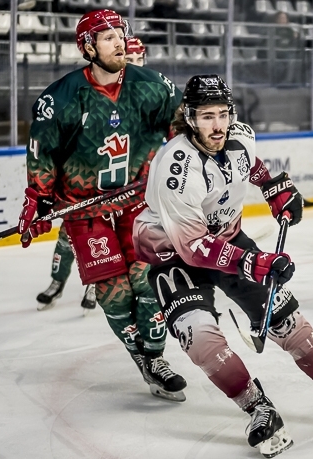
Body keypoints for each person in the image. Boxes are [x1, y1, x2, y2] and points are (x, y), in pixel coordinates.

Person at [133, 75, 313, 458]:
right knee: (201, 338)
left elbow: (250, 163)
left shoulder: (238, 136)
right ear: (190, 118)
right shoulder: (176, 169)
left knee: (287, 320)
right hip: (174, 256)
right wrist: (254, 263)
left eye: (223, 114)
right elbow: (194, 248)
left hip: (229, 241)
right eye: (207, 116)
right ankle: (257, 407)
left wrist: (275, 187)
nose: (218, 125)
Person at [17, 9, 188, 402]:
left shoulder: (152, 85)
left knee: (149, 281)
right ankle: (140, 358)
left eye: (120, 34)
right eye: (107, 37)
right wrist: (37, 200)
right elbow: (43, 154)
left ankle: (157, 359)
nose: (119, 42)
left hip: (136, 202)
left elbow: (183, 129)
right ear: (87, 46)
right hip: (84, 210)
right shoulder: (58, 98)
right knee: (115, 294)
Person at [35, 35, 148, 313]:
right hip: (90, 185)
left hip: (127, 191)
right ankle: (57, 282)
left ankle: (95, 284)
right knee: (68, 237)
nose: (131, 66)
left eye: (137, 61)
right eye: (127, 60)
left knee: (121, 240)